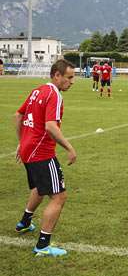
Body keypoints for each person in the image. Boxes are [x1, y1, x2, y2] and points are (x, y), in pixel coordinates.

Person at [14, 59, 77, 256]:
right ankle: (42, 245)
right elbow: (51, 126)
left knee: (39, 188)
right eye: (69, 77)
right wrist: (69, 147)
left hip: (28, 149)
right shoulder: (54, 95)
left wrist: (22, 140)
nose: (72, 81)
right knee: (59, 196)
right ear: (57, 75)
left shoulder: (37, 90)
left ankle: (24, 222)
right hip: (41, 152)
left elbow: (18, 115)